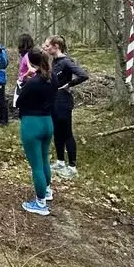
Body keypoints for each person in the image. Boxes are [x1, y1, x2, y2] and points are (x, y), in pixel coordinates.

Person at [17, 49, 57, 216]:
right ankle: (47, 191)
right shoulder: (52, 78)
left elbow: (19, 100)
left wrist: (24, 79)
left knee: (36, 166)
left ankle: (40, 203)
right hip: (48, 122)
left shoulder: (33, 83)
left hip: (32, 124)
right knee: (44, 159)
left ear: (32, 64)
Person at [43, 35, 88, 178]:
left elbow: (83, 75)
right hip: (54, 102)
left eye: (48, 45)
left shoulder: (66, 62)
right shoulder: (54, 62)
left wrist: (69, 85)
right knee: (57, 132)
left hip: (63, 102)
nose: (46, 48)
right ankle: (60, 161)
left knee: (67, 132)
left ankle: (72, 167)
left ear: (56, 46)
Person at [14, 33, 35, 107]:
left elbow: (32, 70)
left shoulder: (27, 56)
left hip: (25, 86)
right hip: (24, 84)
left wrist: (26, 77)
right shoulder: (26, 55)